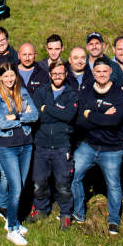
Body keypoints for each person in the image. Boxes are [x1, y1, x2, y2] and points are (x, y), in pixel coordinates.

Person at [71, 58, 123, 235]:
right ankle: (78, 214)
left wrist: (92, 114)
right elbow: (80, 121)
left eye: (105, 71)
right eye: (98, 72)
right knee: (74, 176)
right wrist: (103, 115)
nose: (101, 75)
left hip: (112, 148)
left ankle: (114, 221)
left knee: (113, 185)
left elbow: (115, 121)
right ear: (93, 73)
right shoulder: (86, 92)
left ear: (110, 72)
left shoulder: (119, 93)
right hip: (89, 145)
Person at [27, 60, 78, 230]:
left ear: (66, 74)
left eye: (61, 74)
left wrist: (47, 109)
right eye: (54, 73)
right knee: (39, 182)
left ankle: (65, 214)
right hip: (41, 144)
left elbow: (70, 116)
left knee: (63, 183)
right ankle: (41, 209)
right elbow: (37, 116)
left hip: (62, 145)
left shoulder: (71, 93)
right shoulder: (41, 91)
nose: (57, 76)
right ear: (49, 75)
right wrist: (58, 112)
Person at [0, 63, 38, 246]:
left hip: (26, 144)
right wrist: (22, 115)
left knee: (21, 185)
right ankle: (12, 229)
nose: (10, 79)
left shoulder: (23, 93)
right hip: (7, 146)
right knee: (16, 188)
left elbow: (34, 115)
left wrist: (17, 117)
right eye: (6, 76)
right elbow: (2, 123)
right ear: (1, 78)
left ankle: (15, 221)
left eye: (12, 76)